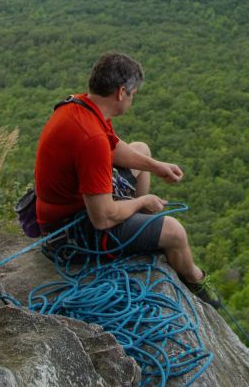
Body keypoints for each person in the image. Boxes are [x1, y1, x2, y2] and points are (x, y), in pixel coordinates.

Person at [33, 51, 219, 306]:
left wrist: (156, 167)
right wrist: (143, 203)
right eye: (132, 94)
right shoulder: (91, 139)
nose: (132, 100)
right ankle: (196, 281)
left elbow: (114, 147)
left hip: (72, 206)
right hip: (69, 233)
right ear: (121, 92)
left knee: (141, 149)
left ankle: (143, 231)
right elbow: (102, 217)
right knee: (175, 232)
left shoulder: (80, 106)